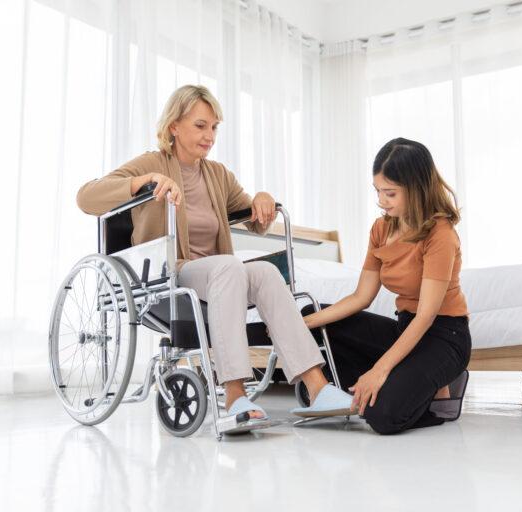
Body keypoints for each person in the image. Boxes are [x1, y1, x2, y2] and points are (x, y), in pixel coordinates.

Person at [76, 85, 354, 429]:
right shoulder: (152, 162)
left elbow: (253, 219)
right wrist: (144, 182)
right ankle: (235, 396)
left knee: (266, 272)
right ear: (174, 126)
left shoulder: (217, 174)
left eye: (214, 127)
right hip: (170, 274)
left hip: (219, 275)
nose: (210, 136)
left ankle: (319, 389)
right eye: (200, 126)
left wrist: (262, 200)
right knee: (229, 267)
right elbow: (87, 198)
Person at [302, 137, 471, 434]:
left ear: (417, 189)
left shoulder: (440, 234)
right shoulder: (382, 228)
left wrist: (380, 371)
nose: (381, 200)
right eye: (378, 191)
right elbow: (361, 297)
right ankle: (404, 382)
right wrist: (304, 322)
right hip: (404, 330)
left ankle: (441, 395)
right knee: (316, 317)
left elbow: (426, 316)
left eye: (390, 193)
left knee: (382, 416)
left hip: (444, 337)